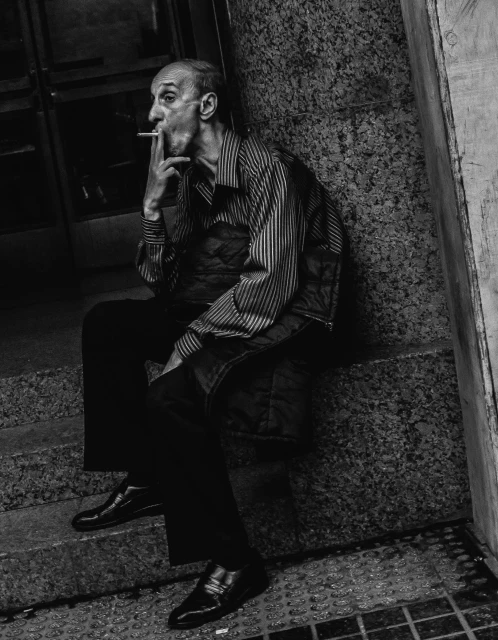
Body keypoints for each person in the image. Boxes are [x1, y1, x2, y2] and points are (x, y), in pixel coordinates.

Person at [71, 59, 348, 629]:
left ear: (207, 106)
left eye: (166, 98)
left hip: (283, 315)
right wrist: (151, 209)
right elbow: (168, 285)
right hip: (219, 308)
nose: (152, 114)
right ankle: (149, 476)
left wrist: (190, 343)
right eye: (153, 101)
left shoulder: (271, 170)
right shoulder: (194, 182)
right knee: (106, 324)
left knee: (170, 397)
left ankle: (235, 561)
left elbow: (270, 282)